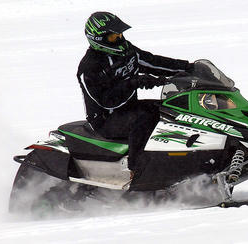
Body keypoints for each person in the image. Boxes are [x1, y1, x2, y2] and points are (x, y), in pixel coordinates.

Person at [77, 12, 194, 173]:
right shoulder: (90, 67)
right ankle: (138, 170)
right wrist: (134, 83)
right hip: (105, 120)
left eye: (120, 34)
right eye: (113, 37)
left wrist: (188, 68)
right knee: (145, 119)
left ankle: (186, 159)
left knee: (170, 108)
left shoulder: (126, 52)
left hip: (129, 108)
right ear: (98, 39)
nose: (119, 39)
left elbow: (152, 62)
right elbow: (106, 100)